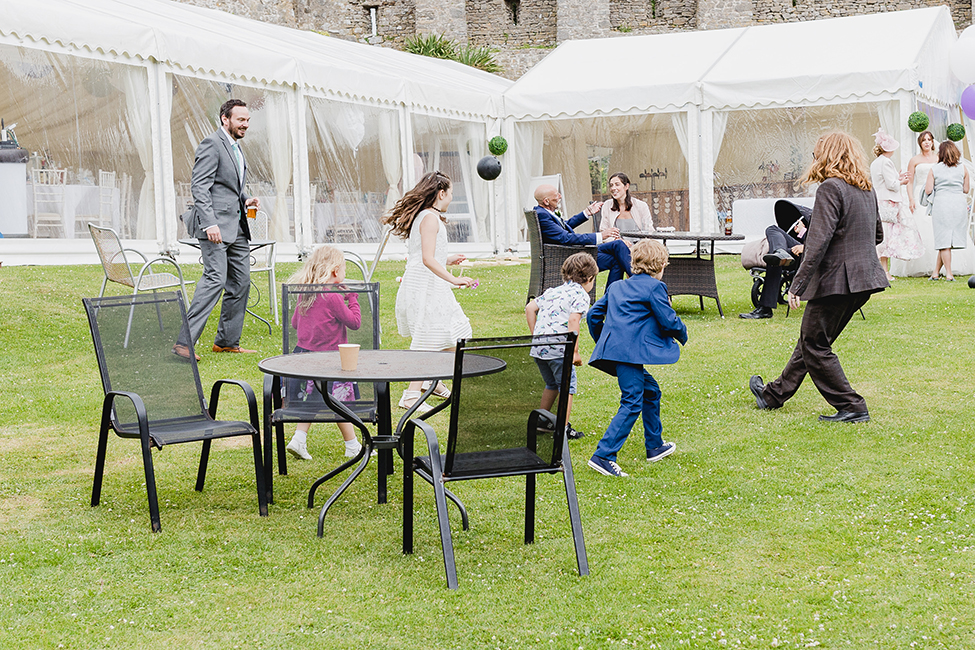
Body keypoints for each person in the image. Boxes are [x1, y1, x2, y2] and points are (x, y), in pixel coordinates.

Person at [749, 131, 889, 424]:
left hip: (838, 280)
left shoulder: (830, 188)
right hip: (864, 279)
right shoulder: (866, 189)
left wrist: (796, 287)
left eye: (816, 154)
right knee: (811, 341)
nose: (813, 159)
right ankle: (773, 394)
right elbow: (877, 235)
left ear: (828, 156)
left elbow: (817, 244)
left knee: (814, 344)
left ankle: (852, 406)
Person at [586, 239, 687, 477]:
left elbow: (593, 315)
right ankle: (604, 455)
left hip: (613, 352)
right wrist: (682, 333)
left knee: (650, 390)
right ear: (662, 265)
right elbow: (668, 319)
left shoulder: (617, 287)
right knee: (632, 400)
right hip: (626, 355)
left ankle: (654, 446)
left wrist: (604, 341)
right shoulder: (655, 288)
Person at [174, 99, 260, 360]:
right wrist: (210, 223)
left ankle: (226, 341)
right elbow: (199, 186)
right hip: (215, 228)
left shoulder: (235, 147)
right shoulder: (212, 143)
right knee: (215, 279)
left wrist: (245, 199)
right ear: (225, 119)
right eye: (240, 120)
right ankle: (183, 343)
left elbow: (227, 185)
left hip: (237, 227)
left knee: (241, 282)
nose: (245, 124)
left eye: (247, 120)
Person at [384, 171, 476, 412]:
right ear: (441, 193)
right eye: (451, 193)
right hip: (425, 287)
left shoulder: (427, 216)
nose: (451, 199)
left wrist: (447, 259)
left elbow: (426, 255)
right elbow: (426, 259)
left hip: (425, 283)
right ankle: (411, 394)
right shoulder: (430, 218)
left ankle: (431, 382)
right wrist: (454, 280)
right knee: (429, 339)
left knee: (453, 336)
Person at [283, 246, 363, 461]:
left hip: (305, 359)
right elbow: (355, 322)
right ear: (336, 270)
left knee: (311, 401)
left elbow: (294, 323)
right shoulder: (333, 296)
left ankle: (299, 439)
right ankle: (353, 446)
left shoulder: (306, 292)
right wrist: (352, 297)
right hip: (330, 362)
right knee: (340, 403)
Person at [525, 252, 599, 441]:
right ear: (589, 278)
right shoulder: (581, 295)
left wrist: (536, 335)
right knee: (567, 387)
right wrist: (574, 351)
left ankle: (542, 421)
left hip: (540, 347)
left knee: (552, 384)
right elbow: (574, 320)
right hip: (559, 349)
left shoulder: (553, 291)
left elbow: (530, 308)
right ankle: (563, 428)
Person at [533, 184, 632, 291]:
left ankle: (611, 297)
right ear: (546, 201)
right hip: (573, 258)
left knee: (618, 246)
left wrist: (586, 213)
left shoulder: (543, 212)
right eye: (556, 195)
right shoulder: (542, 215)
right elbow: (565, 238)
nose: (560, 196)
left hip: (573, 252)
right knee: (617, 253)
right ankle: (641, 281)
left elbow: (564, 227)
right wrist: (601, 235)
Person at [739, 201, 809, 320]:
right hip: (799, 251)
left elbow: (827, 241)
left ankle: (765, 308)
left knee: (776, 257)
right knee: (773, 232)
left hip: (809, 254)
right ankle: (779, 252)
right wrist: (802, 233)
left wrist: (805, 246)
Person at [869, 129, 923, 282]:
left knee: (884, 236)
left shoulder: (876, 162)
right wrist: (902, 182)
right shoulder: (886, 162)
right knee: (886, 237)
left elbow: (883, 181)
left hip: (881, 201)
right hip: (888, 203)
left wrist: (897, 177)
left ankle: (884, 271)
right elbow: (892, 185)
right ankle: (883, 272)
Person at [892, 130, 938, 277]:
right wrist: (911, 199)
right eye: (924, 140)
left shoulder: (938, 158)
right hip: (920, 195)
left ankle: (940, 265)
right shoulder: (914, 160)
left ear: (932, 142)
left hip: (936, 194)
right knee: (921, 225)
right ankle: (921, 264)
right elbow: (909, 182)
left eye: (929, 139)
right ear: (920, 143)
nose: (926, 142)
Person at [924, 140, 971, 282]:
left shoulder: (935, 169)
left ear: (941, 153)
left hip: (942, 205)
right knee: (946, 240)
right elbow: (966, 189)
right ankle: (935, 273)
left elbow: (928, 190)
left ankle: (949, 274)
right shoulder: (963, 168)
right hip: (958, 205)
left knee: (943, 240)